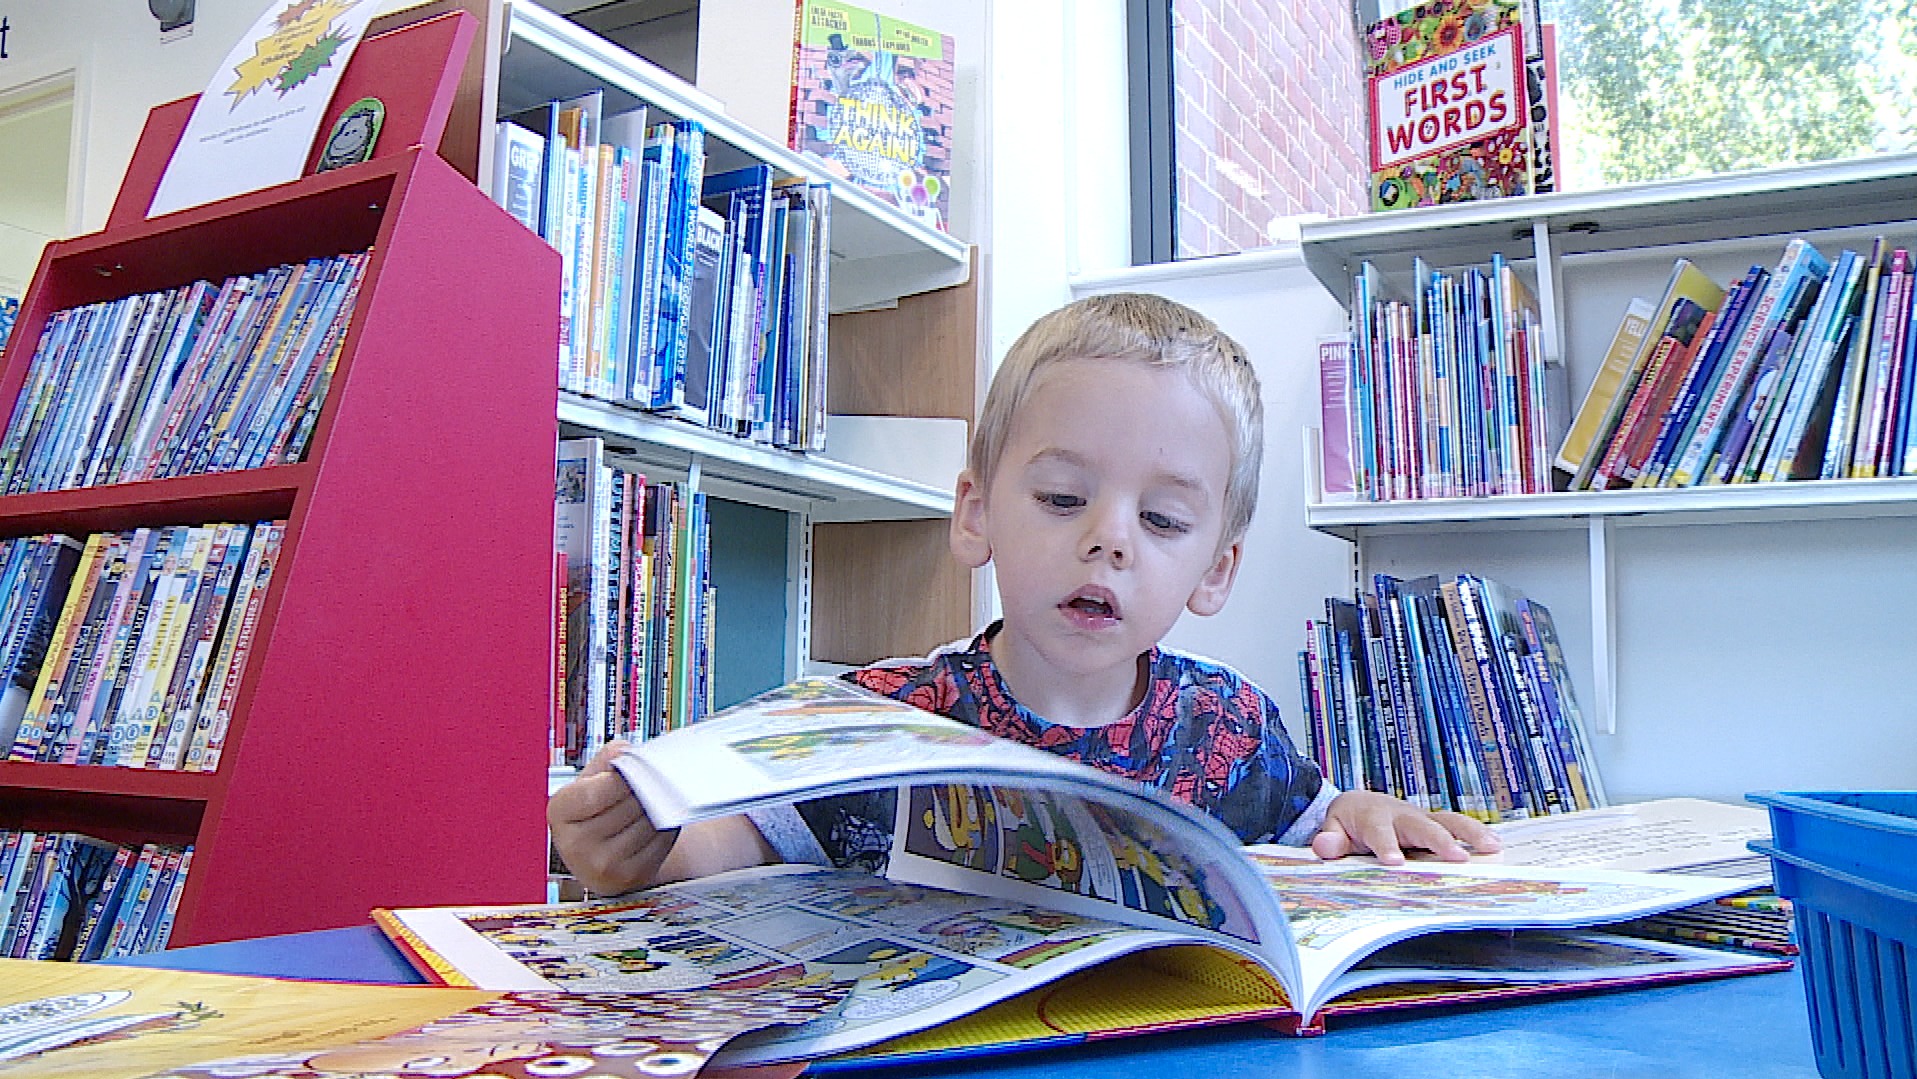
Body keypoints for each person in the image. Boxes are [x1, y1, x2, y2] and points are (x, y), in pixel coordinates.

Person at [549, 292, 1499, 897]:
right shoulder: (887, 716)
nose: (1109, 538)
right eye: (1060, 498)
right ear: (976, 515)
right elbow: (730, 843)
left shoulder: (1229, 726)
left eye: (1162, 519)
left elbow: (1317, 823)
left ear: (1215, 568)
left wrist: (1365, 815)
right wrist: (640, 844)